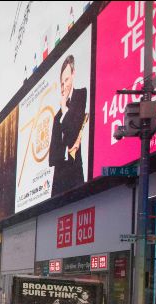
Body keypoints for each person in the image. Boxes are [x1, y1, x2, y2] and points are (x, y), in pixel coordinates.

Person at [49, 54, 88, 198]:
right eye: (62, 82)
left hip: (75, 173)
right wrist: (64, 152)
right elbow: (52, 156)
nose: (64, 85)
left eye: (66, 79)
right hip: (59, 179)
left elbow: (74, 129)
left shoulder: (81, 95)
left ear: (73, 74)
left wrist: (65, 109)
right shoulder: (56, 116)